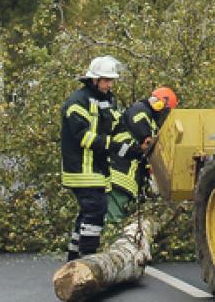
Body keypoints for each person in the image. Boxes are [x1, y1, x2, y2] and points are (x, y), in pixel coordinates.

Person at [60, 56, 139, 260]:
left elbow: (115, 128)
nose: (109, 84)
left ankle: (74, 256)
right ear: (93, 79)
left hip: (98, 170)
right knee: (96, 210)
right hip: (81, 170)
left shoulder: (107, 101)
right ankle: (88, 258)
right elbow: (83, 137)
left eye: (111, 80)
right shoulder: (77, 103)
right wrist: (113, 146)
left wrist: (131, 148)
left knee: (87, 213)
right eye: (105, 80)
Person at [107, 86, 178, 221]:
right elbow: (146, 141)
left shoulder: (150, 121)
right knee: (111, 222)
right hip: (117, 178)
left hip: (126, 184)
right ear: (160, 106)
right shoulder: (139, 110)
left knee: (119, 224)